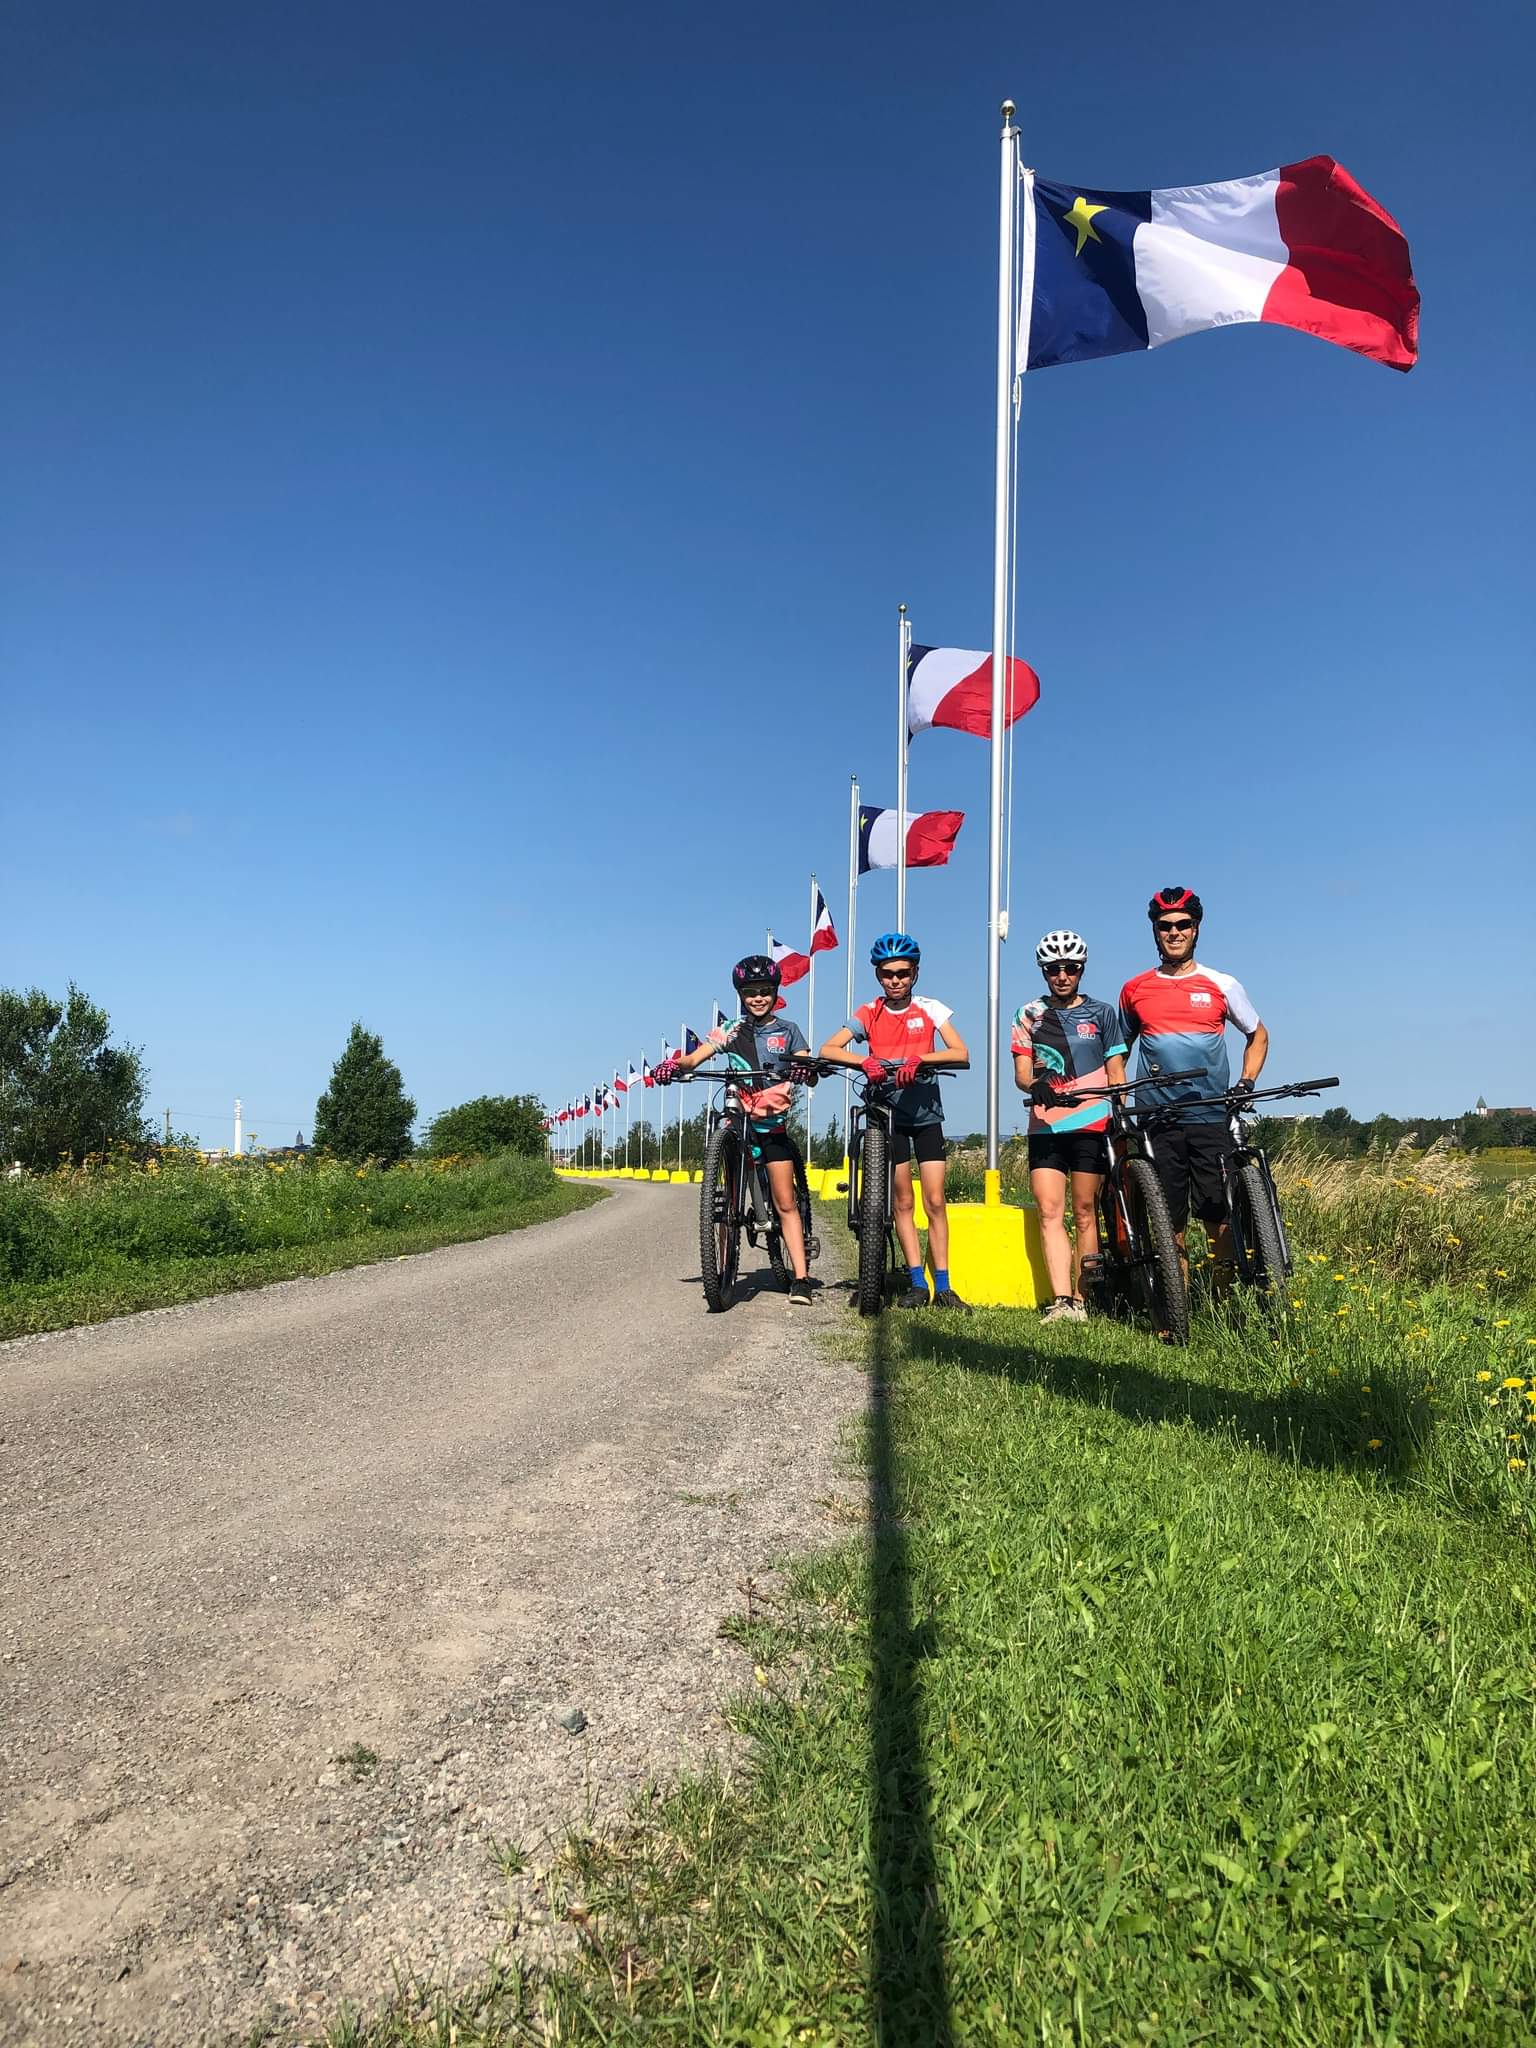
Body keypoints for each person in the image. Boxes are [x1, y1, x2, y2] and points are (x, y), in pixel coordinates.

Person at [1118, 887, 1269, 1289]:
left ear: (1196, 928)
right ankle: (1178, 1306)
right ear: (1155, 931)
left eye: (1182, 924)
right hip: (1156, 1117)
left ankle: (1222, 1300)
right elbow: (1118, 1047)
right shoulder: (1135, 989)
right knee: (1170, 1219)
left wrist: (1246, 1082)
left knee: (1217, 1214)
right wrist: (1118, 1094)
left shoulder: (1221, 983)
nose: (1174, 932)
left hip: (1208, 1113)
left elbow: (1258, 1035)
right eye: (1165, 926)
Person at [817, 932, 971, 1311]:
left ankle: (945, 1286)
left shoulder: (931, 1009)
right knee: (903, 1200)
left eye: (902, 973)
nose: (895, 980)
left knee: (935, 1200)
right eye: (887, 974)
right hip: (887, 1116)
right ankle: (917, 1282)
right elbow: (828, 1048)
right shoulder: (870, 1012)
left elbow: (960, 1052)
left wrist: (922, 1060)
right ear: (878, 976)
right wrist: (864, 1062)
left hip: (925, 1115)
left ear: (915, 973)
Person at [657, 955, 818, 1305]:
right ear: (741, 996)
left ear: (775, 993)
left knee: (785, 1201)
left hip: (771, 1122)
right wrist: (674, 1066)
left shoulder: (788, 1030)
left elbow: (804, 1060)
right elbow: (695, 1058)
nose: (758, 998)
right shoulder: (732, 1029)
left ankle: (801, 1279)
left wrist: (803, 1069)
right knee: (727, 1163)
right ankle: (726, 1243)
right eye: (750, 993)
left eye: (764, 991)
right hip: (739, 1114)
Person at [1011, 930, 1128, 1323]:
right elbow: (1022, 1074)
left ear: (1081, 970)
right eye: (1053, 969)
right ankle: (1061, 1299)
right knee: (1049, 1210)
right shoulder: (1028, 1014)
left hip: (1092, 1121)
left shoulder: (1102, 1013)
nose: (1062, 976)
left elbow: (1116, 1071)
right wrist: (1035, 1084)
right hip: (1046, 1124)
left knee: (1084, 1211)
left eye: (1070, 968)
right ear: (1044, 972)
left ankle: (1083, 1298)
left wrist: (1123, 1111)